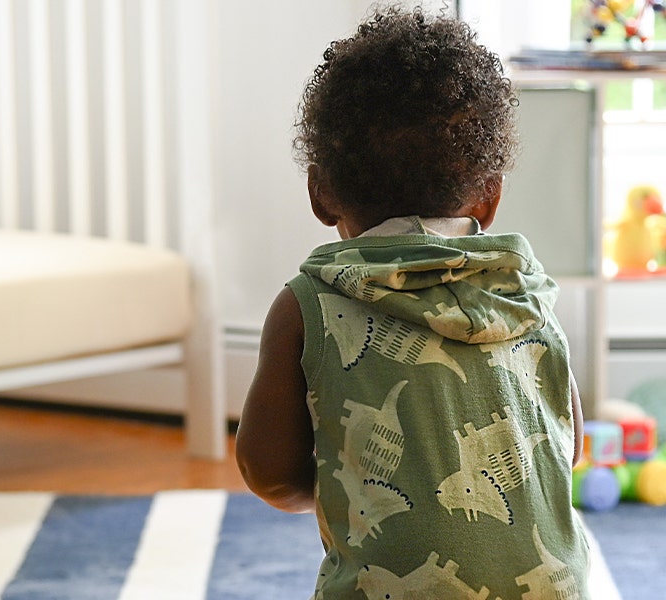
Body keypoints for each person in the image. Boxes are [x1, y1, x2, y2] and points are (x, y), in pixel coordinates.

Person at [234, 6, 591, 599]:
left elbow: (269, 473)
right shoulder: (527, 297)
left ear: (321, 193)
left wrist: (347, 482)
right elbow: (566, 448)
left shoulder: (310, 304)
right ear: (490, 196)